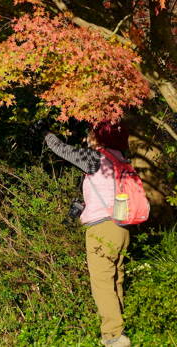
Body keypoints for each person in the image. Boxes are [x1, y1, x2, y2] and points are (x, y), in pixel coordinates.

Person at [45, 125, 133, 347]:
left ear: (98, 137)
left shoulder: (96, 158)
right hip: (122, 227)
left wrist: (46, 134)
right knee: (115, 279)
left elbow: (61, 149)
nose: (86, 138)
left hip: (101, 228)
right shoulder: (122, 160)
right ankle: (119, 328)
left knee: (102, 282)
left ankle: (113, 335)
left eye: (90, 134)